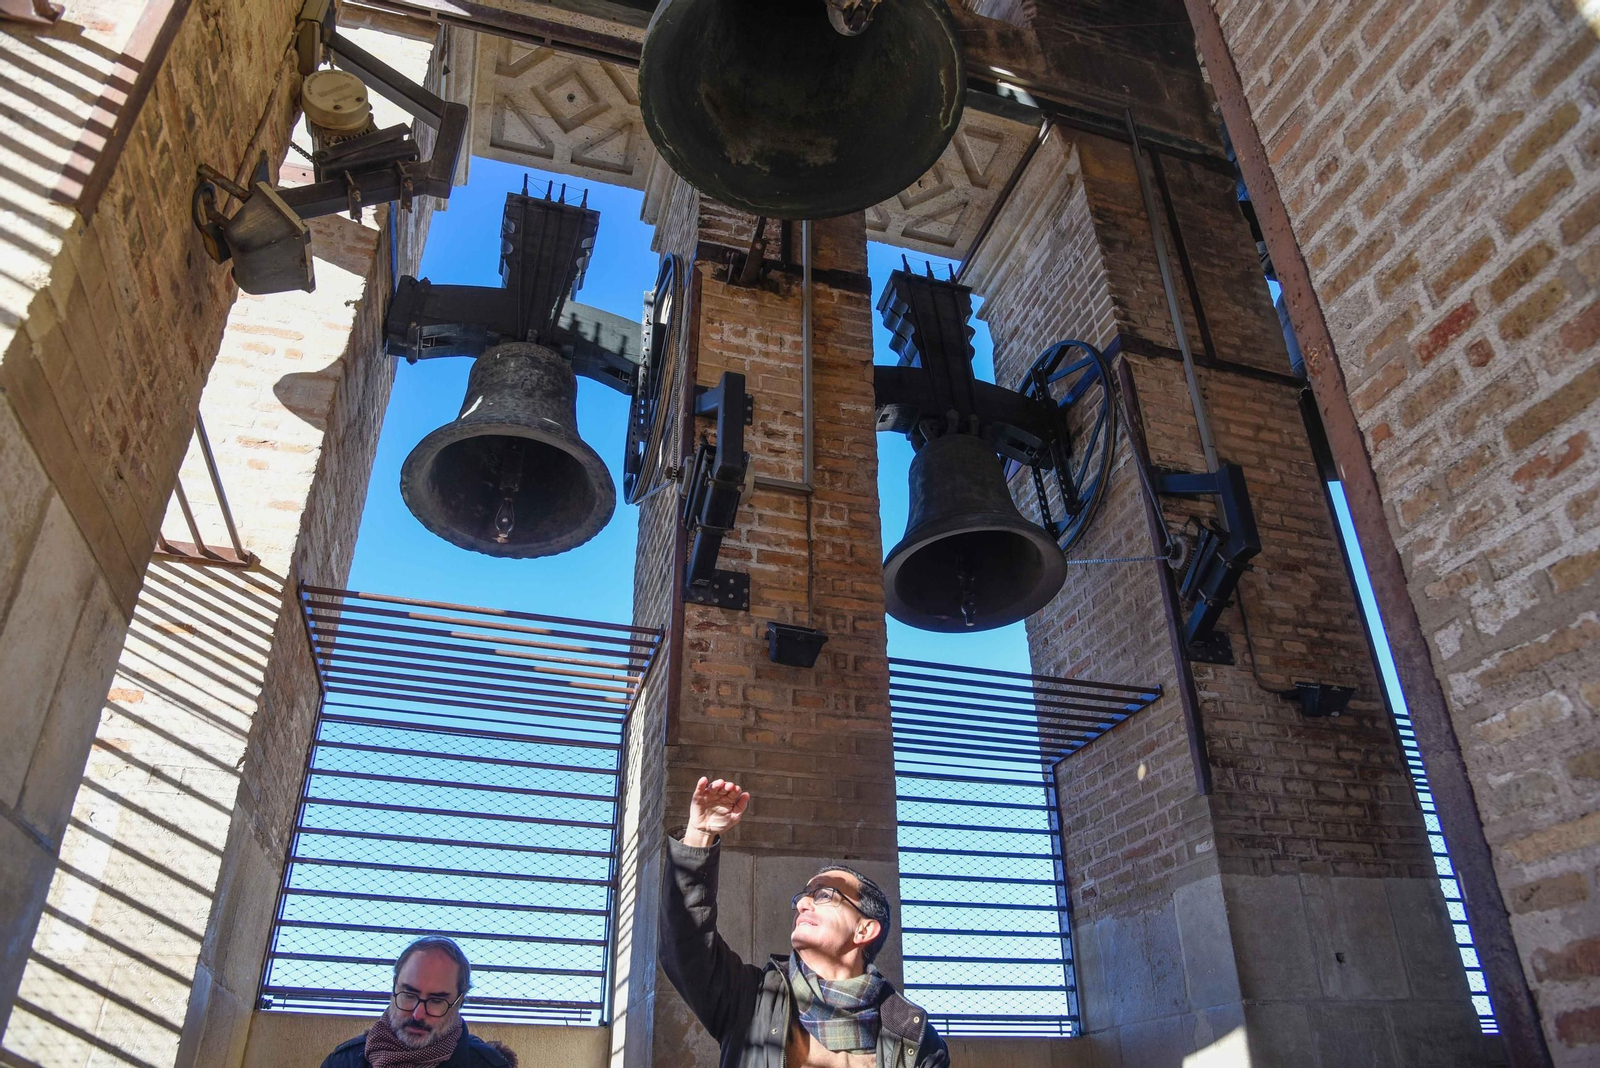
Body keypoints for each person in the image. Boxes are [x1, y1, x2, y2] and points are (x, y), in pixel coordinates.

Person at [661, 776, 949, 1068]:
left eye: (824, 894)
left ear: (864, 929)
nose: (801, 903)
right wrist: (699, 834)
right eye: (803, 895)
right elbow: (685, 943)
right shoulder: (750, 1000)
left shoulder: (914, 1036)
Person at [320, 936, 516, 1068]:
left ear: (459, 1002)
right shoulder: (342, 1062)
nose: (418, 1014)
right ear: (394, 987)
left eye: (436, 1000)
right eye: (409, 994)